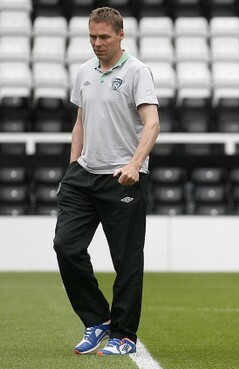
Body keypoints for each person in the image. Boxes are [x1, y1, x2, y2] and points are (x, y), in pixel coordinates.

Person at [53, 7, 160, 356]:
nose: (97, 43)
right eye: (92, 37)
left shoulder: (137, 71)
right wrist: (72, 167)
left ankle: (124, 335)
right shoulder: (84, 71)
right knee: (66, 247)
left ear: (120, 35)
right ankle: (98, 319)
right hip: (83, 175)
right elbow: (80, 122)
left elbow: (152, 123)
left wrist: (135, 164)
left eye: (104, 37)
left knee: (126, 262)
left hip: (122, 178)